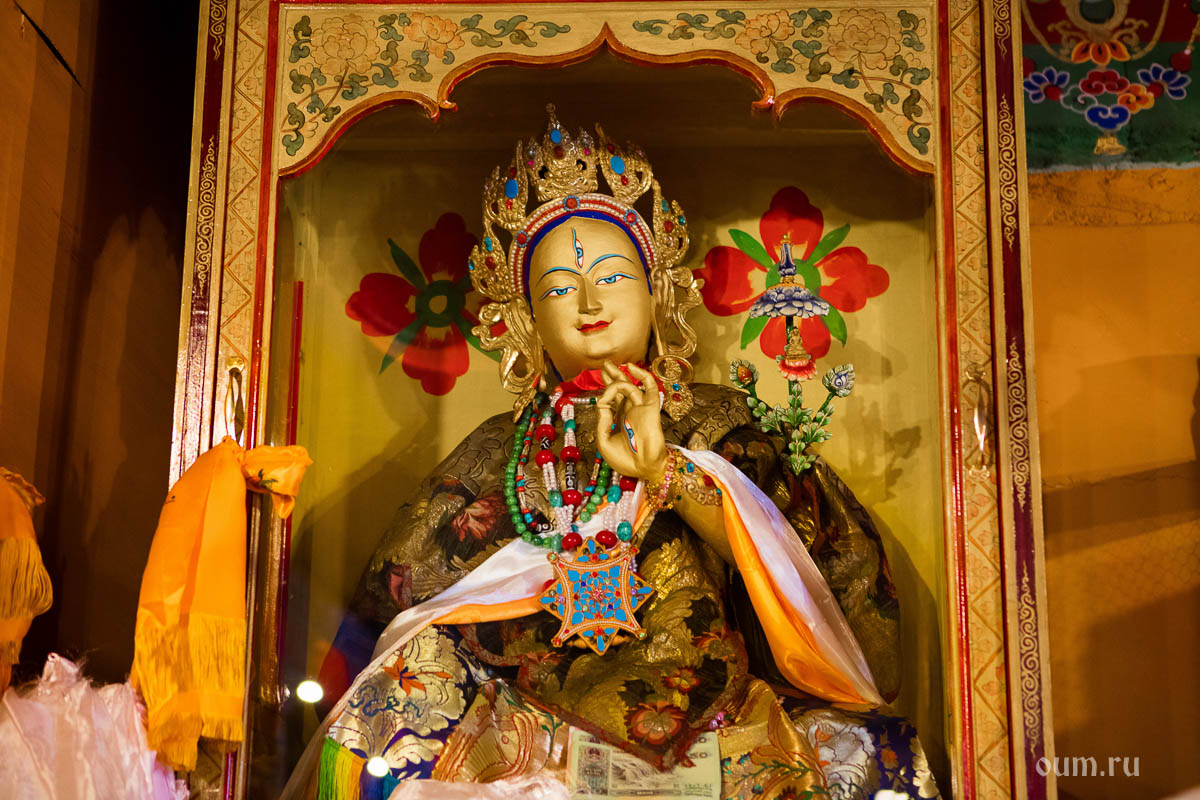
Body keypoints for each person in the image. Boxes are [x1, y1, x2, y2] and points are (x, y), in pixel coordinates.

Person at [287, 109, 938, 800]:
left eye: (614, 276)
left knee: (861, 750)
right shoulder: (499, 449)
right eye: (557, 288)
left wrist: (667, 472)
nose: (589, 302)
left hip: (714, 717)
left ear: (658, 291)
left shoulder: (716, 418)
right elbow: (396, 609)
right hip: (533, 728)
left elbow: (817, 579)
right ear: (526, 316)